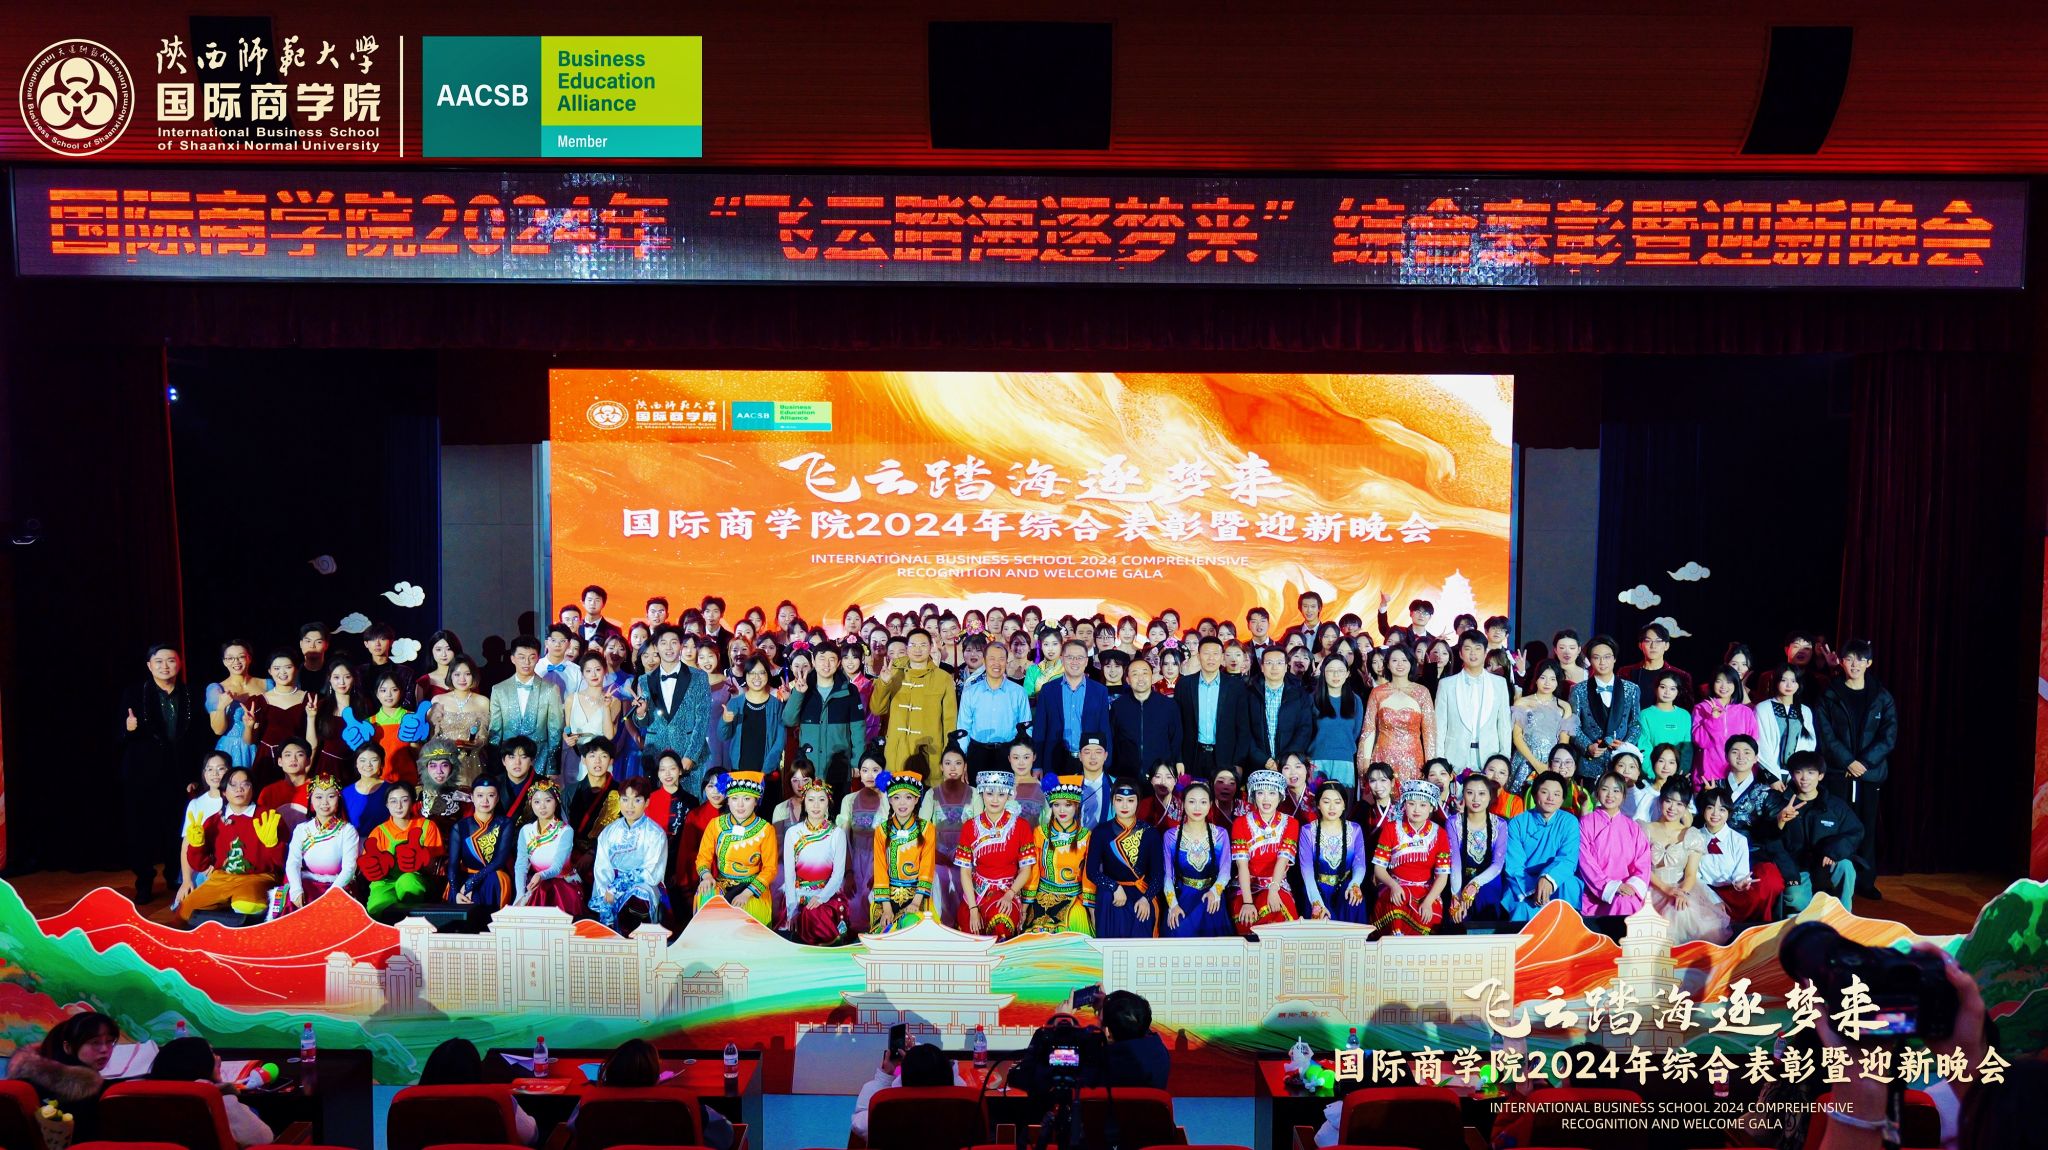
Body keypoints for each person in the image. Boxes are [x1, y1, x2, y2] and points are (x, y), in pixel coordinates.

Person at [123, 643, 208, 904]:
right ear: (149, 666)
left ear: (179, 664)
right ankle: (144, 882)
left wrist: (195, 775)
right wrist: (128, 728)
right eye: (158, 662)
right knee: (142, 830)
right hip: (143, 775)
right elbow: (117, 735)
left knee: (176, 827)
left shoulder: (191, 693)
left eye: (170, 660)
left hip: (180, 774)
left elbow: (199, 737)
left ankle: (175, 875)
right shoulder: (134, 694)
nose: (165, 666)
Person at [1814, 640, 1893, 899]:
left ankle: (1866, 882)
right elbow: (1825, 734)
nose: (1855, 664)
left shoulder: (1881, 696)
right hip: (1839, 773)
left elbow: (1888, 736)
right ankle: (1834, 879)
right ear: (1841, 662)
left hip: (1869, 774)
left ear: (1869, 663)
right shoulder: (1829, 694)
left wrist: (1864, 763)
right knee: (1836, 826)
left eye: (1861, 659)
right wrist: (1848, 761)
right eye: (1849, 659)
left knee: (1867, 828)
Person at [177, 766, 284, 923]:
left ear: (253, 789)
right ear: (224, 792)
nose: (239, 789)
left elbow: (282, 863)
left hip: (258, 877)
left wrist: (273, 845)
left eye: (245, 784)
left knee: (247, 905)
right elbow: (200, 865)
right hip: (221, 878)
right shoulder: (213, 821)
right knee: (186, 911)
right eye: (233, 785)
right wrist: (196, 845)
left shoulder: (269, 817)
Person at [1642, 778, 1731, 943]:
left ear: (1686, 807)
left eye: (1679, 804)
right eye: (1669, 801)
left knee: (1680, 910)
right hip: (1650, 886)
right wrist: (1665, 889)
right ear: (1661, 800)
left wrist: (1681, 893)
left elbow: (1690, 874)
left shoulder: (1692, 835)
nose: (1673, 808)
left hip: (1681, 887)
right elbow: (1641, 867)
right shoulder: (1644, 829)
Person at [1774, 750, 1864, 913]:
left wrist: (1833, 851)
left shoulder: (1834, 805)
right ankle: (1807, 915)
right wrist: (1779, 821)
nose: (1804, 778)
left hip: (1825, 864)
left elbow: (1855, 831)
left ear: (1820, 776)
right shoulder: (1780, 804)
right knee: (1796, 900)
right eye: (1799, 772)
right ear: (1792, 775)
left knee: (1846, 866)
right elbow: (1770, 841)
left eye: (1811, 773)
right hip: (1797, 869)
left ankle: (1844, 916)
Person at [5, 1012, 116, 1139]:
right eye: (95, 1042)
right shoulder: (80, 1093)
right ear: (67, 1047)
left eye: (109, 1041)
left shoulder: (34, 1070)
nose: (105, 1049)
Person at [148, 1037, 272, 1147]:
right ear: (200, 1064)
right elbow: (264, 1138)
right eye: (212, 1053)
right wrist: (224, 1092)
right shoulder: (215, 1100)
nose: (218, 1058)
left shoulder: (149, 1098)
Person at [870, 629, 958, 777]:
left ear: (931, 647)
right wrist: (883, 683)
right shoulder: (892, 674)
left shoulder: (943, 678)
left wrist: (948, 754)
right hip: (897, 752)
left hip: (929, 753)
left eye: (923, 645)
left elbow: (949, 720)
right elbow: (877, 710)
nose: (918, 649)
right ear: (907, 648)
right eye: (913, 645)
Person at [1370, 779, 1452, 935]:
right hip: (1396, 887)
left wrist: (1428, 901)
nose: (1416, 809)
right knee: (1395, 911)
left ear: (1431, 807)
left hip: (1426, 892)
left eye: (1423, 805)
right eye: (1411, 803)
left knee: (1425, 918)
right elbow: (1379, 869)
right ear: (1404, 805)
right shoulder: (1391, 828)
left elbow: (1442, 876)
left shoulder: (1439, 834)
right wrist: (1393, 886)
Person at [695, 771, 777, 925]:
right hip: (721, 883)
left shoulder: (766, 830)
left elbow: (770, 869)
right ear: (728, 801)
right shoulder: (715, 825)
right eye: (734, 798)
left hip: (752, 886)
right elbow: (703, 857)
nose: (740, 805)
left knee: (747, 914)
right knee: (706, 897)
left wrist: (747, 894)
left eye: (746, 799)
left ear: (756, 801)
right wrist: (706, 876)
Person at [587, 776, 670, 929]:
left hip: (643, 885)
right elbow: (602, 867)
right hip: (610, 885)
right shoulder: (609, 832)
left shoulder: (655, 833)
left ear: (647, 802)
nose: (630, 806)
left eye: (637, 800)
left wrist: (616, 888)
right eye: (625, 800)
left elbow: (651, 872)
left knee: (637, 901)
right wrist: (606, 891)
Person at [1500, 772, 1583, 921]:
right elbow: (1514, 866)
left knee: (1570, 884)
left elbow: (1568, 860)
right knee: (1522, 908)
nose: (1551, 798)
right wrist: (1535, 889)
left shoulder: (1569, 822)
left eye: (1557, 794)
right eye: (1545, 792)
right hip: (1525, 885)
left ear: (1562, 798)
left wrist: (1548, 878)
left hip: (1556, 879)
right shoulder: (1517, 823)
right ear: (1534, 794)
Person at [784, 641, 870, 786]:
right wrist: (798, 694)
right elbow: (789, 720)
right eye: (822, 659)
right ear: (813, 661)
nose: (826, 664)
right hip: (809, 768)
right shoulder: (802, 688)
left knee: (839, 801)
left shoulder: (849, 690)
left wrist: (857, 763)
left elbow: (858, 730)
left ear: (838, 663)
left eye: (832, 659)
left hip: (839, 767)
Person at [1693, 786, 1782, 924]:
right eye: (1710, 808)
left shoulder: (1738, 840)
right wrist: (1714, 900)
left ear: (1729, 813)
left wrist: (1740, 883)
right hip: (1705, 892)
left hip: (1733, 893)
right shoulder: (1694, 837)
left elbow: (1741, 873)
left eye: (1722, 809)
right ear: (1703, 810)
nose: (1715, 813)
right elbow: (1694, 877)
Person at [1088, 780, 1163, 939]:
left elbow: (1158, 876)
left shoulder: (1150, 832)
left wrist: (1146, 898)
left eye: (1130, 800)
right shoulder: (1101, 832)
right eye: (1119, 800)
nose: (1124, 805)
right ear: (1112, 801)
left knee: (1142, 918)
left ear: (1138, 802)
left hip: (1141, 893)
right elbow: (1092, 872)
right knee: (1108, 900)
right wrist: (1114, 887)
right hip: (1112, 894)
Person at [1160, 780, 1234, 938]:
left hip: (1211, 896)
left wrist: (1215, 891)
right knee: (1179, 930)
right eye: (1192, 802)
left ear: (1210, 805)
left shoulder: (1220, 834)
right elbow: (1167, 876)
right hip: (1183, 896)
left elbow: (1225, 870)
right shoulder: (1171, 836)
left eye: (1203, 802)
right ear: (1183, 804)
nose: (1197, 808)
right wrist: (1173, 905)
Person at [361, 781, 444, 919]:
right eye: (393, 801)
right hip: (385, 882)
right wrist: (376, 867)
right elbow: (368, 866)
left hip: (417, 879)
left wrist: (420, 859)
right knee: (378, 905)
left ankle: (412, 924)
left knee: (408, 882)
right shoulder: (379, 832)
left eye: (404, 800)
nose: (398, 806)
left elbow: (432, 867)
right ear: (387, 805)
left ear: (413, 802)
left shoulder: (427, 826)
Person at [1022, 776, 1094, 935]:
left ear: (1076, 806)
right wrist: (1025, 907)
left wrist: (1092, 911)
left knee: (1075, 928)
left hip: (1073, 898)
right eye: (1056, 805)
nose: (1062, 810)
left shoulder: (1085, 836)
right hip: (1041, 898)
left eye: (1067, 805)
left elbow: (1088, 877)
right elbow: (1033, 872)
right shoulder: (1040, 833)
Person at [1434, 630, 1512, 776]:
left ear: (1485, 652)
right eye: (1468, 648)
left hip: (1490, 758)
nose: (1473, 653)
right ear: (1460, 653)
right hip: (1454, 759)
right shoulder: (1446, 685)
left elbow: (1504, 725)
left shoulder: (1499, 684)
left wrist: (1504, 758)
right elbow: (1440, 726)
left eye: (1477, 648)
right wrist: (1440, 761)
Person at [780, 779, 849, 944]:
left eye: (821, 800)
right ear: (804, 803)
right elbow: (789, 874)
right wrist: (791, 909)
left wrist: (820, 898)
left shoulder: (837, 834)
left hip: (827, 896)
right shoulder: (793, 833)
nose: (816, 805)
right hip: (796, 896)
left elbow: (838, 875)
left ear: (828, 803)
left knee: (815, 915)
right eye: (811, 800)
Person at [488, 636, 565, 781]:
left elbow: (555, 731)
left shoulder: (550, 689)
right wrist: (494, 767)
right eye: (521, 657)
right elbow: (495, 732)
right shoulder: (499, 690)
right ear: (512, 659)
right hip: (509, 761)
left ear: (538, 658)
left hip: (539, 759)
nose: (527, 662)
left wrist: (553, 767)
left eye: (531, 657)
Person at [1175, 636, 1253, 779]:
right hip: (1192, 756)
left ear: (1222, 657)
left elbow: (1243, 728)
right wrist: (1178, 758)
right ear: (1199, 656)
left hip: (1225, 757)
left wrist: (1239, 762)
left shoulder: (1236, 687)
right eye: (1206, 653)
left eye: (1215, 654)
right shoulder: (1184, 684)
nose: (1211, 658)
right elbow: (1177, 725)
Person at [1033, 638, 1113, 777]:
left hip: (1090, 761)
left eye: (1080, 657)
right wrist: (1037, 764)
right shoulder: (1048, 690)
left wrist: (1106, 762)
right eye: (1070, 657)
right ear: (1062, 659)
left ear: (1086, 661)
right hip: (1054, 760)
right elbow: (1040, 730)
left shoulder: (1099, 691)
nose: (1075, 661)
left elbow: (1104, 729)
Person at [1578, 771, 1653, 917]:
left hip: (1626, 891)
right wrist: (1611, 887)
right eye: (1605, 789)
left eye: (1616, 790)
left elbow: (1643, 863)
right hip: (1595, 892)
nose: (1610, 795)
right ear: (1597, 793)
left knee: (1625, 902)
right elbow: (1585, 861)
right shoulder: (1586, 823)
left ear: (1624, 795)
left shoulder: (1633, 827)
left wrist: (1631, 886)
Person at [1231, 768, 1299, 929]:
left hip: (1276, 884)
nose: (1266, 798)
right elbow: (1242, 865)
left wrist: (1273, 890)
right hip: (1247, 886)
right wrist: (1248, 902)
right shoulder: (1241, 823)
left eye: (1272, 793)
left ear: (1280, 796)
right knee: (1246, 919)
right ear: (1254, 795)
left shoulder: (1291, 823)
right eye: (1261, 793)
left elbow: (1283, 860)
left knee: (1280, 910)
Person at [871, 768, 937, 932]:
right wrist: (887, 908)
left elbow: (927, 867)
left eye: (908, 797)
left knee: (912, 926)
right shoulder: (881, 831)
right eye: (896, 797)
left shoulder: (927, 829)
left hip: (917, 897)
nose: (902, 803)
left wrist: (915, 902)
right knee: (885, 932)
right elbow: (880, 869)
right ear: (890, 800)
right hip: (887, 900)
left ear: (916, 799)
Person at [1568, 635, 1642, 781]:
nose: (1602, 662)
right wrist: (1588, 746)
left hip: (1621, 764)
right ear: (1590, 660)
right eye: (1597, 657)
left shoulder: (1631, 689)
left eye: (1607, 657)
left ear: (1614, 658)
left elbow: (1636, 724)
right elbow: (1573, 726)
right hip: (1590, 764)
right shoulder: (1578, 690)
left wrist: (1625, 745)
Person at [851, 1042, 956, 1142]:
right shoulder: (959, 1109)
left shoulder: (890, 1115)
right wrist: (919, 1060)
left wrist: (885, 1077)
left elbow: (859, 1123)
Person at [284, 775, 360, 909]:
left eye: (331, 796)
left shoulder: (347, 830)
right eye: (318, 797)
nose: (324, 802)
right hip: (308, 884)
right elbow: (293, 862)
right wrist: (296, 890)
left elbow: (349, 868)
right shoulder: (301, 829)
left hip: (339, 885)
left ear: (339, 798)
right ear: (311, 799)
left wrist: (333, 893)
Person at [1298, 781, 1369, 923]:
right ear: (1318, 804)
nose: (1332, 807)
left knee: (1354, 899)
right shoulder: (1308, 831)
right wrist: (1316, 902)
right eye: (1326, 802)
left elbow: (1359, 864)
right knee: (1320, 917)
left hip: (1345, 887)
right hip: (1317, 889)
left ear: (1344, 805)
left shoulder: (1355, 830)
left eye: (1337, 802)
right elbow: (1307, 870)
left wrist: (1355, 884)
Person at [513, 779, 585, 914]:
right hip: (536, 884)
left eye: (548, 800)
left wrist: (540, 875)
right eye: (537, 801)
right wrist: (520, 894)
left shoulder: (565, 831)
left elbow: (557, 867)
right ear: (531, 803)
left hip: (563, 884)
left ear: (556, 802)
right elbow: (521, 865)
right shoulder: (526, 830)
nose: (542, 806)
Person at [837, 747, 888, 933]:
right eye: (865, 770)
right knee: (851, 903)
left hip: (881, 861)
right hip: (854, 860)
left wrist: (880, 873)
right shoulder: (849, 800)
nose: (869, 775)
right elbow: (843, 839)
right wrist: (848, 872)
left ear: (883, 772)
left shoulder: (890, 800)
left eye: (875, 770)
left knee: (874, 900)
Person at [445, 775, 516, 909]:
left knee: (495, 877)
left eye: (491, 795)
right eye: (480, 795)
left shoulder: (505, 823)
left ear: (498, 798)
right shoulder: (460, 827)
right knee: (454, 888)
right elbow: (453, 864)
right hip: (464, 877)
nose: (485, 800)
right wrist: (455, 890)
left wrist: (471, 883)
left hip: (491, 877)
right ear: (472, 797)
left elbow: (499, 861)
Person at [1447, 773, 1508, 923]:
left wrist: (1475, 884)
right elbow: (1455, 863)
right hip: (1460, 879)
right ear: (1463, 795)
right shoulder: (1453, 822)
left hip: (1488, 880)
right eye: (1470, 793)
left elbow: (1497, 864)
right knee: (1457, 917)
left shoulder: (1500, 824)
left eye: (1481, 793)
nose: (1476, 799)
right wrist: (1456, 895)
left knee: (1486, 897)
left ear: (1490, 796)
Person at [925, 743, 976, 920]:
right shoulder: (931, 794)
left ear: (965, 767)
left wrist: (966, 855)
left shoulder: (975, 794)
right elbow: (924, 828)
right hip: (939, 856)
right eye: (948, 763)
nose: (953, 768)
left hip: (967, 858)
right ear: (941, 767)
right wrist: (934, 853)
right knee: (939, 885)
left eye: (958, 763)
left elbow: (979, 828)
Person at [425, 656, 491, 785]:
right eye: (457, 674)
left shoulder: (483, 701)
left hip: (472, 760)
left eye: (467, 674)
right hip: (444, 761)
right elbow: (431, 737)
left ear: (474, 676)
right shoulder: (438, 700)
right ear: (450, 676)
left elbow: (484, 735)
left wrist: (478, 742)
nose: (462, 679)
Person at [1110, 657, 1180, 777]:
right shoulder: (1118, 706)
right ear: (1128, 680)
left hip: (1159, 774)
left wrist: (1178, 761)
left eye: (1145, 673)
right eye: (1135, 674)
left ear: (1152, 677)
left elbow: (1176, 738)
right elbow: (1112, 738)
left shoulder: (1168, 705)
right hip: (1126, 774)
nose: (1141, 678)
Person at [564, 652, 626, 785]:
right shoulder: (571, 699)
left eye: (598, 669)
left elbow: (609, 736)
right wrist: (567, 737)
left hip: (601, 761)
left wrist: (606, 707)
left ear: (605, 671)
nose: (593, 674)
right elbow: (567, 729)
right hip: (577, 759)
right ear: (582, 674)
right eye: (588, 671)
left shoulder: (614, 701)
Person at [1692, 666, 1760, 786]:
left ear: (1736, 684)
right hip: (1709, 776)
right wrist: (1713, 719)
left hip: (1740, 775)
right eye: (1719, 681)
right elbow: (1701, 742)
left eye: (1729, 682)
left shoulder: (1745, 711)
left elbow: (1753, 744)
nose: (1724, 686)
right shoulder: (1701, 708)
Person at [1305, 657, 1365, 791]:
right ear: (1323, 673)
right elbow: (1307, 731)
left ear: (1347, 673)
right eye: (1331, 670)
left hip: (1344, 761)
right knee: (1316, 801)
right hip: (1317, 760)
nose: (1336, 675)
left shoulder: (1355, 700)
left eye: (1340, 671)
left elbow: (1356, 732)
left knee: (1341, 801)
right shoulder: (1312, 699)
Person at [205, 641, 261, 772]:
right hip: (230, 748)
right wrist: (222, 706)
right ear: (224, 662)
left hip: (259, 746)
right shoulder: (216, 689)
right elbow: (218, 730)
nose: (236, 662)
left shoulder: (266, 684)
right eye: (230, 658)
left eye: (241, 656)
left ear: (249, 658)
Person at [1752, 665, 1816, 775]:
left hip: (1797, 775)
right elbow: (1760, 743)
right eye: (1783, 680)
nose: (1789, 685)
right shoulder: (1763, 708)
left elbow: (1809, 743)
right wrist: (1773, 776)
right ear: (1776, 682)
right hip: (1768, 773)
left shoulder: (1805, 711)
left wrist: (1798, 773)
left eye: (1793, 681)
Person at [1636, 671, 1695, 781]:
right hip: (1652, 776)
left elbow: (1687, 749)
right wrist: (1653, 775)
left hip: (1677, 778)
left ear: (1678, 692)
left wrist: (1680, 774)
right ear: (1655, 688)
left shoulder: (1684, 715)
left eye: (1672, 689)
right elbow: (1644, 747)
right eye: (1663, 687)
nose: (1667, 692)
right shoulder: (1645, 715)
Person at [1620, 622, 1694, 704]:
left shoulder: (1681, 676)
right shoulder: (1626, 672)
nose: (1653, 646)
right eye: (1648, 641)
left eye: (1658, 641)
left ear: (1666, 646)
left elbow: (1686, 707)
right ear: (1640, 645)